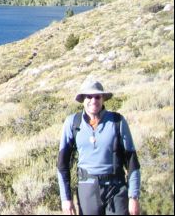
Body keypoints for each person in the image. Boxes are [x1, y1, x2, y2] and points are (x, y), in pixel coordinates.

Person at [57, 78, 141, 215]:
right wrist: (65, 198)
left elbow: (132, 162)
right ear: (83, 99)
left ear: (103, 99)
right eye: (89, 96)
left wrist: (134, 196)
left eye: (97, 96)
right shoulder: (72, 123)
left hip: (117, 189)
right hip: (87, 190)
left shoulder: (117, 121)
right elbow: (62, 164)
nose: (93, 100)